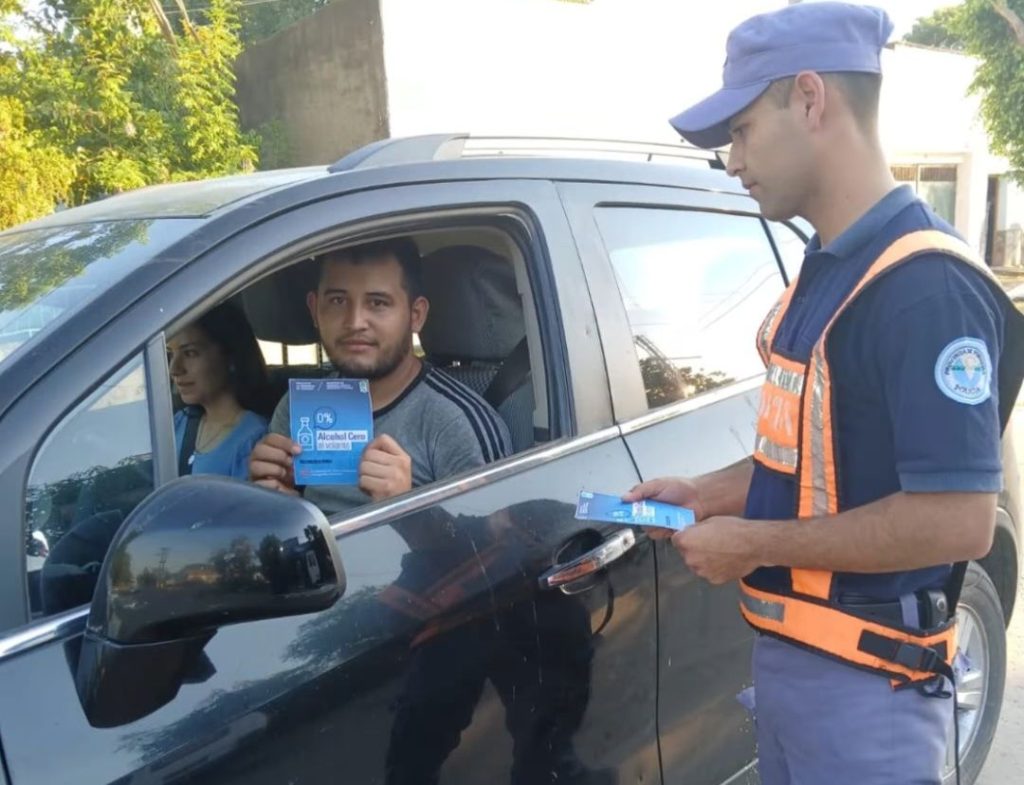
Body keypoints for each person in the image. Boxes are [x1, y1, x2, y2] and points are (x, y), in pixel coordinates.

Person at [626, 3, 1024, 784]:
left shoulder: (924, 287)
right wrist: (705, 494)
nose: (733, 160)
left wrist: (754, 542)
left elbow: (959, 520)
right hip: (798, 672)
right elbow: (813, 457)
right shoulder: (829, 266)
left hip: (868, 698)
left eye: (742, 130)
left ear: (810, 98)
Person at [249, 237, 510, 514]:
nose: (354, 322)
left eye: (378, 302)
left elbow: (496, 540)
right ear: (314, 309)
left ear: (416, 315)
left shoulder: (458, 423)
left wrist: (407, 509)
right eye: (338, 300)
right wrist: (274, 499)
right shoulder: (296, 409)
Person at [168, 301, 271, 480]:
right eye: (171, 354)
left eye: (190, 353)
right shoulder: (179, 422)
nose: (174, 369)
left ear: (230, 357)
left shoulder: (253, 439)